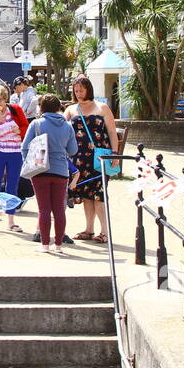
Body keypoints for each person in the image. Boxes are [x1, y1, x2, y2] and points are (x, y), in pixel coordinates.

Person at [21, 93, 79, 253]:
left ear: (42, 108)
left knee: (43, 209)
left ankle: (45, 245)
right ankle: (59, 245)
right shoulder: (68, 126)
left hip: (40, 170)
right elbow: (73, 150)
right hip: (61, 170)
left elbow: (24, 147)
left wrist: (29, 161)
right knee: (59, 209)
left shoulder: (36, 124)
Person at [66, 75, 120, 243]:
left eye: (82, 89)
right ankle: (89, 229)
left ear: (89, 89)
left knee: (98, 194)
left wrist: (115, 154)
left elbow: (112, 131)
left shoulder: (102, 107)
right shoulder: (71, 109)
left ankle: (105, 231)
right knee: (86, 194)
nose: (79, 93)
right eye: (76, 90)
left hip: (99, 157)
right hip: (79, 157)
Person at [0, 83, 29, 220]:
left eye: (1, 99)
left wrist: (19, 131)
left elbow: (26, 127)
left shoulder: (16, 110)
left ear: (5, 99)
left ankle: (10, 220)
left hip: (15, 153)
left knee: (12, 186)